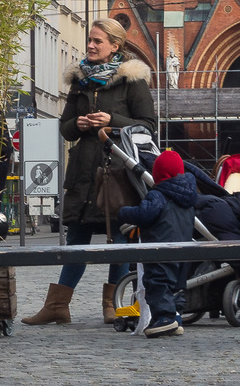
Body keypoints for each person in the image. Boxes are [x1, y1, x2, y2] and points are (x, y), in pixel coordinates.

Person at [22, 18, 156, 326]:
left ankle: (114, 304)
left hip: (118, 172)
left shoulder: (132, 81)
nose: (91, 46)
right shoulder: (80, 81)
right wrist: (78, 124)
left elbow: (148, 126)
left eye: (98, 41)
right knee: (77, 240)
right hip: (84, 173)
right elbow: (65, 128)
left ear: (115, 47)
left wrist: (112, 120)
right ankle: (57, 305)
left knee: (119, 240)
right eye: (90, 40)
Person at [116, 150, 197, 337]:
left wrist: (124, 212)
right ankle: (176, 318)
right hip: (183, 250)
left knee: (157, 282)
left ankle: (164, 318)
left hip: (160, 249)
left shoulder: (158, 195)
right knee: (176, 285)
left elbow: (144, 214)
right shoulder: (188, 198)